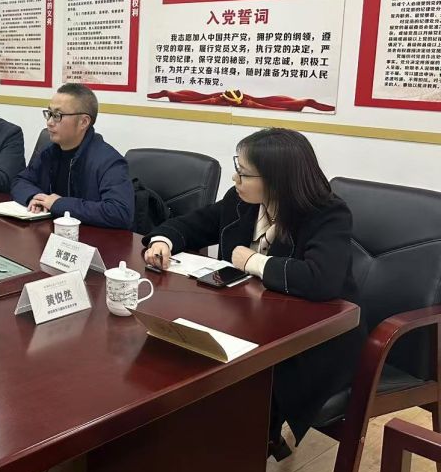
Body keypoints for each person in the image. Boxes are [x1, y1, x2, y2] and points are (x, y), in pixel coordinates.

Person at [141, 128, 365, 454]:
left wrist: (254, 261)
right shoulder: (240, 201)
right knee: (180, 348)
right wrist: (163, 240)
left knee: (252, 382)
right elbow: (193, 224)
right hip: (252, 317)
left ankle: (249, 448)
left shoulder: (326, 213)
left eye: (244, 173)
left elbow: (321, 279)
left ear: (277, 180)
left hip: (317, 334)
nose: (235, 179)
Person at [11, 84, 133, 229]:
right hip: (51, 233)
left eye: (57, 116)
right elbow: (20, 181)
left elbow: (119, 212)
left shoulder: (109, 161)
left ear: (84, 122)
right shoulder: (49, 151)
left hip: (91, 238)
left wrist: (59, 204)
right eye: (49, 113)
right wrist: (35, 197)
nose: (49, 122)